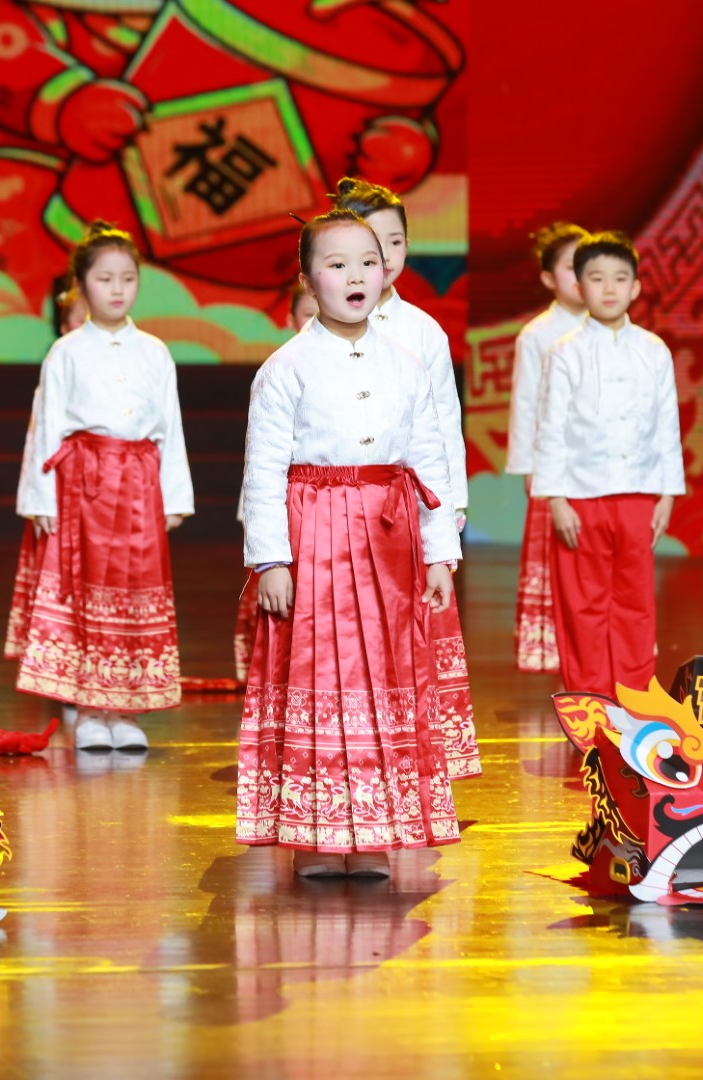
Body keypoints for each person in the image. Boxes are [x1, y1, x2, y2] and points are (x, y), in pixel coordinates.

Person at [237, 208, 462, 879]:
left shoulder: (406, 362)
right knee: (318, 670)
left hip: (388, 537)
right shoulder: (286, 367)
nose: (356, 276)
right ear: (309, 279)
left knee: (383, 673)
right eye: (336, 265)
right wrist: (271, 560)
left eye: (368, 261)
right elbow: (263, 470)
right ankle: (315, 834)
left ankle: (375, 831)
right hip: (315, 534)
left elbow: (429, 460)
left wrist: (439, 551)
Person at [7, 221, 193, 753]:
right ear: (82, 284)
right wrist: (40, 499)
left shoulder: (154, 351)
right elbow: (46, 428)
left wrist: (174, 497)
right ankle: (89, 709)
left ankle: (125, 709)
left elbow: (170, 427)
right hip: (82, 485)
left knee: (133, 594)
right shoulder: (66, 352)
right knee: (86, 592)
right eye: (104, 278)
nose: (117, 289)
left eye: (127, 279)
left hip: (138, 483)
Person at [329, 177, 478, 781]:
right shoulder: (319, 328)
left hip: (409, 510)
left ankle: (411, 753)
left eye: (393, 243)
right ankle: (349, 754)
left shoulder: (423, 331)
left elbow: (445, 426)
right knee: (345, 633)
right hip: (337, 510)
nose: (382, 258)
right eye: (367, 246)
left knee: (408, 630)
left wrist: (451, 509)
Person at [532, 231, 684, 697]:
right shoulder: (564, 351)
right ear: (580, 287)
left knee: (635, 604)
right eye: (597, 279)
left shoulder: (654, 350)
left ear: (636, 286)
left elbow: (667, 423)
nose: (610, 288)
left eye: (620, 278)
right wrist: (556, 499)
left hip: (639, 496)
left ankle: (635, 702)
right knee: (583, 604)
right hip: (581, 497)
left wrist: (668, 493)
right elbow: (550, 428)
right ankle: (590, 702)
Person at [506, 222, 590, 672]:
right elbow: (525, 404)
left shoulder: (613, 327)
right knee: (559, 559)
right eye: (571, 267)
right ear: (547, 278)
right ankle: (563, 656)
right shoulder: (538, 334)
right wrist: (530, 471)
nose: (583, 276)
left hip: (603, 469)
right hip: (555, 469)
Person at [233, 282, 318, 684]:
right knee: (279, 600)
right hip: (292, 506)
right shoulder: (281, 368)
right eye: (307, 314)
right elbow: (263, 460)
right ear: (290, 320)